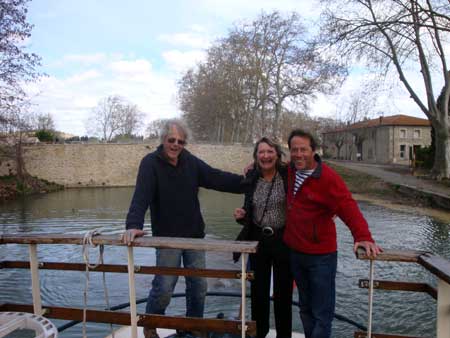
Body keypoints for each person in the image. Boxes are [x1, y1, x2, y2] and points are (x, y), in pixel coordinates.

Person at [122, 119, 245, 338]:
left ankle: (194, 327)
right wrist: (133, 225)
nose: (176, 145)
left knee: (198, 287)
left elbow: (217, 178)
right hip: (167, 239)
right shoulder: (150, 163)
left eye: (181, 141)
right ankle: (151, 325)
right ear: (163, 140)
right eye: (172, 140)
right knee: (164, 288)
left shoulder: (190, 162)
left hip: (194, 237)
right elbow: (141, 197)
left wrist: (249, 181)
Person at [283, 129, 382, 338]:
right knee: (305, 308)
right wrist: (252, 168)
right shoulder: (289, 171)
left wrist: (362, 236)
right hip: (295, 252)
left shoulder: (328, 178)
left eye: (303, 150)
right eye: (294, 150)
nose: (298, 154)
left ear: (314, 151)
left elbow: (347, 205)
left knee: (322, 313)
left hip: (321, 257)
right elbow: (269, 170)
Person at [234, 137, 292, 338]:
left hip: (283, 239)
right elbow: (250, 210)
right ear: (256, 156)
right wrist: (242, 216)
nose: (265, 156)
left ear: (277, 155)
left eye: (270, 152)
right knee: (258, 293)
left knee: (283, 293)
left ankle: (283, 335)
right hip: (258, 240)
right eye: (261, 152)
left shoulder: (287, 174)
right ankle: (261, 333)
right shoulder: (252, 177)